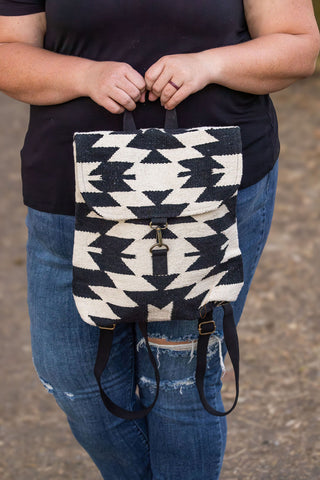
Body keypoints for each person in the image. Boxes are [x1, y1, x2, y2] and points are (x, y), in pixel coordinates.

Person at [0, 1, 319, 479]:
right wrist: (86, 77)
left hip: (210, 197)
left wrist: (208, 65)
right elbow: (8, 52)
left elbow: (299, 47)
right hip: (71, 199)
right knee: (74, 382)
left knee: (179, 385)